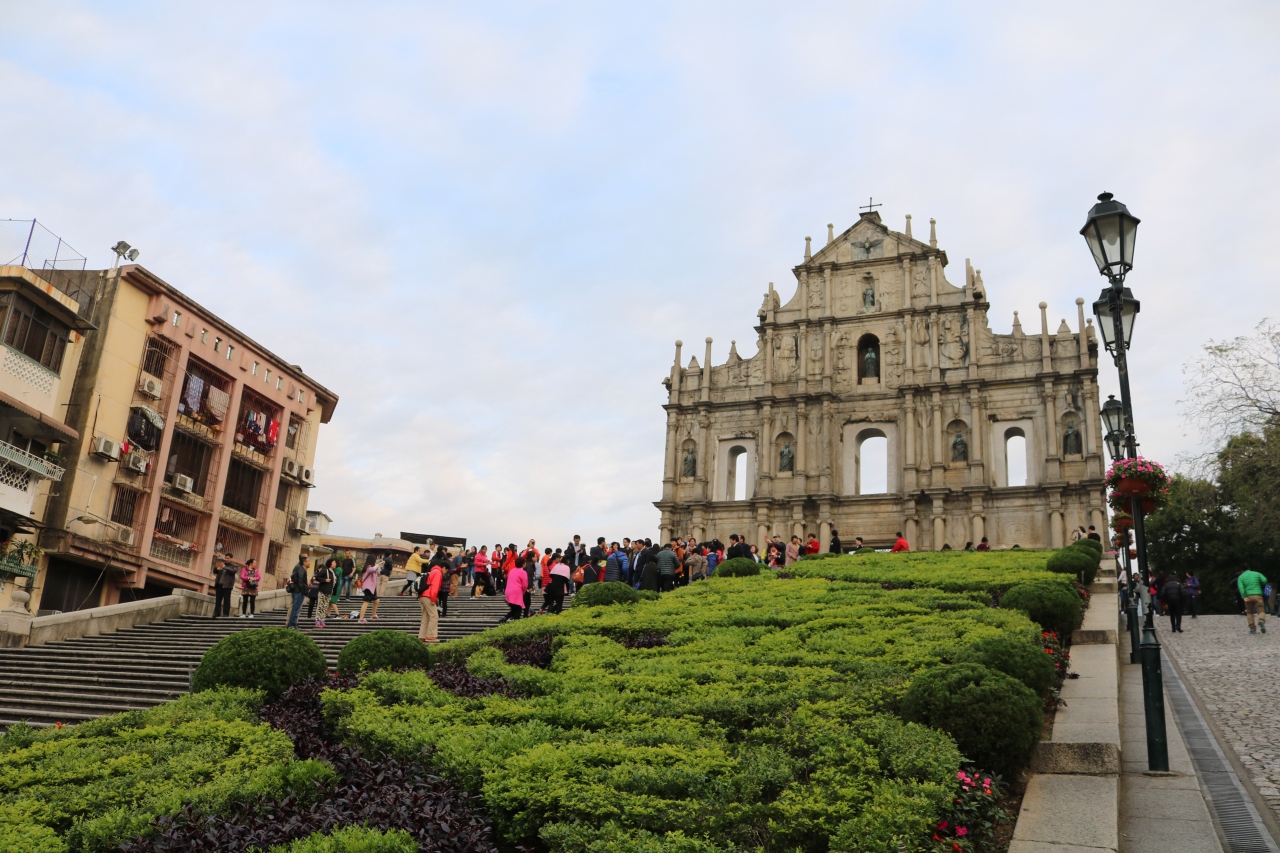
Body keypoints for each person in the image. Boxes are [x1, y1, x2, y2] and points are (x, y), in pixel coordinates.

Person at [418, 557, 443, 642]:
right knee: (434, 616)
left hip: (422, 595)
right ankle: (430, 636)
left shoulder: (431, 571)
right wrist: (433, 599)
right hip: (428, 595)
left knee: (425, 617)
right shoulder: (438, 572)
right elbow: (434, 586)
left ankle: (422, 636)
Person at [1238, 566, 1268, 634]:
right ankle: (1261, 620)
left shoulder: (1241, 577)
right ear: (1249, 568)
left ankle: (1252, 629)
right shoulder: (1257, 573)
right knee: (1261, 610)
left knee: (1249, 612)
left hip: (1248, 596)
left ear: (1242, 570)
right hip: (1258, 595)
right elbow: (1264, 580)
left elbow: (1241, 588)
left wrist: (1244, 596)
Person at [502, 555, 529, 623]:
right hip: (516, 591)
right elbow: (525, 585)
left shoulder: (512, 570)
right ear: (523, 564)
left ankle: (505, 618)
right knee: (518, 610)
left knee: (514, 609)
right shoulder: (523, 572)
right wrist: (524, 592)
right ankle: (516, 623)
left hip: (508, 591)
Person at [286, 556, 310, 628]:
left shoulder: (302, 570)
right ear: (304, 563)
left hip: (298, 592)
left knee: (296, 609)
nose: (309, 563)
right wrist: (304, 590)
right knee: (296, 609)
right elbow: (300, 583)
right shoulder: (301, 570)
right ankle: (292, 625)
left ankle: (292, 624)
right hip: (299, 592)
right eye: (308, 561)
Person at [311, 558, 335, 628]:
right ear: (330, 563)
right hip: (322, 591)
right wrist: (325, 580)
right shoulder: (325, 570)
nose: (335, 564)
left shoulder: (333, 572)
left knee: (325, 607)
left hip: (329, 592)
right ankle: (318, 620)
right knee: (320, 606)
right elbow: (317, 577)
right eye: (334, 562)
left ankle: (322, 620)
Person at [358, 558, 381, 622]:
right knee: (366, 602)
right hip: (368, 587)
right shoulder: (368, 567)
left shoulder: (373, 567)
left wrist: (379, 567)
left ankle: (373, 615)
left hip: (372, 587)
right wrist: (378, 565)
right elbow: (371, 570)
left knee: (376, 600)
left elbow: (378, 573)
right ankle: (361, 618)